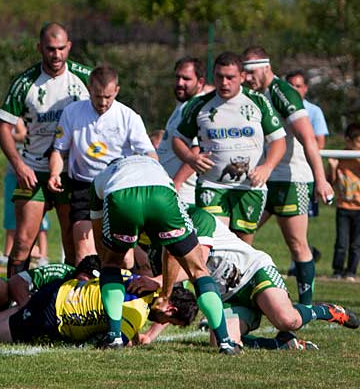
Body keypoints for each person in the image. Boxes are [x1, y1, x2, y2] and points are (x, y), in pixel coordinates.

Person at [138, 207, 360, 349]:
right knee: (221, 342)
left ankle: (327, 311)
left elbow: (198, 265)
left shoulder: (198, 217)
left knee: (286, 320)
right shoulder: (164, 242)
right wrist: (149, 335)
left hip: (254, 272)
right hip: (230, 297)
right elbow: (174, 300)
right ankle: (279, 344)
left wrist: (157, 281)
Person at [90, 155, 239, 353]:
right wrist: (166, 294)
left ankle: (115, 337)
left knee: (111, 264)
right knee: (198, 271)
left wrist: (109, 263)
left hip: (121, 195)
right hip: (162, 194)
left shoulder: (102, 177)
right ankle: (226, 342)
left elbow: (100, 237)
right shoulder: (155, 167)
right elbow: (171, 251)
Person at [0, 22, 92, 278]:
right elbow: (2, 128)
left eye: (61, 48)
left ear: (69, 46)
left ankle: (67, 303)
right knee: (23, 244)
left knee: (73, 246)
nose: (56, 55)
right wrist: (19, 165)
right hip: (34, 170)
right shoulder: (25, 83)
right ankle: (15, 304)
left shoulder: (84, 78)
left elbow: (108, 110)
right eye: (50, 49)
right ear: (40, 48)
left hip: (71, 172)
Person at [242, 46, 334, 306]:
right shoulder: (253, 94)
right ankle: (237, 302)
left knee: (296, 244)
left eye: (250, 72)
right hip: (260, 179)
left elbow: (308, 138)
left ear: (265, 66)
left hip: (290, 179)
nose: (247, 78)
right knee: (239, 241)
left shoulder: (282, 92)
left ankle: (305, 306)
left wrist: (321, 178)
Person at [172, 51, 286, 245]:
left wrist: (267, 167)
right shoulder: (200, 104)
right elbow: (178, 139)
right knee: (213, 242)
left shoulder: (258, 102)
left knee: (242, 245)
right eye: (219, 77)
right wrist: (191, 159)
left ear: (242, 77)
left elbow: (278, 141)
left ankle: (238, 276)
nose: (224, 83)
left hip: (249, 187)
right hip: (212, 185)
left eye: (230, 77)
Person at [49, 64, 156, 264]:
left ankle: (123, 290)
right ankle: (88, 292)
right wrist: (55, 173)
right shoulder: (72, 112)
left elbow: (148, 152)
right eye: (98, 96)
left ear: (117, 91)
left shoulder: (129, 116)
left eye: (108, 97)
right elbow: (59, 150)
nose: (103, 102)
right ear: (89, 89)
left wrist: (154, 177)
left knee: (123, 256)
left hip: (117, 188)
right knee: (83, 248)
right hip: (84, 187)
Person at [0, 275, 199, 346]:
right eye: (170, 320)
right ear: (169, 308)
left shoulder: (139, 283)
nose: (163, 324)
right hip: (52, 314)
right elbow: (110, 344)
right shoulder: (135, 317)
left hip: (57, 291)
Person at [286, 70, 328, 273]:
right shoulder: (274, 104)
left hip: (300, 178)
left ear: (305, 88)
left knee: (299, 236)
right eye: (290, 85)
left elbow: (317, 142)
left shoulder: (313, 111)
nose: (294, 89)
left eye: (298, 86)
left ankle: (301, 262)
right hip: (273, 177)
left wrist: (320, 178)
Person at [0, 118, 50, 268]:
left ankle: (42, 254)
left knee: (39, 216)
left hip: (33, 171)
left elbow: (24, 135)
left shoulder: (27, 117)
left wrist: (7, 134)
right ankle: (8, 252)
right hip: (14, 172)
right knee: (12, 213)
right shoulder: (10, 115)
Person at [158, 56, 209, 206]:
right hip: (171, 188)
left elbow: (196, 150)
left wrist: (177, 182)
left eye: (186, 79)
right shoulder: (184, 105)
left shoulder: (196, 108)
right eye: (177, 77)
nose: (180, 83)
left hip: (184, 194)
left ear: (200, 82)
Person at [328, 123, 360, 281]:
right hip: (343, 207)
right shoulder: (340, 156)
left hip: (359, 208)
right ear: (348, 141)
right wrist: (333, 167)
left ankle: (351, 272)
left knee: (356, 243)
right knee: (341, 242)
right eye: (358, 142)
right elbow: (331, 181)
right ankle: (338, 271)